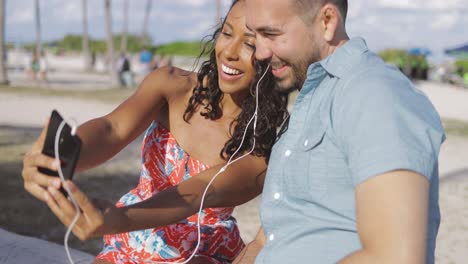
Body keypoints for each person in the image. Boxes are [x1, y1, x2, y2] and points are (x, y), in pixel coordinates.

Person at [21, 1, 288, 263]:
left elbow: (195, 194)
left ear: (276, 56)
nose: (229, 51)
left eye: (250, 43)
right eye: (227, 33)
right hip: (133, 235)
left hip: (199, 250)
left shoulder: (259, 151)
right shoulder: (171, 85)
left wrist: (119, 219)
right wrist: (63, 155)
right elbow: (111, 128)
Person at [235, 0, 445, 263]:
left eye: (271, 34)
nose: (260, 52)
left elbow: (393, 256)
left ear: (327, 21)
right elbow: (267, 240)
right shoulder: (315, 98)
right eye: (255, 36)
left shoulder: (375, 93)